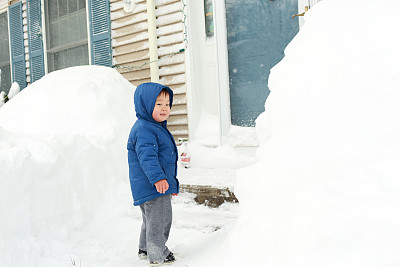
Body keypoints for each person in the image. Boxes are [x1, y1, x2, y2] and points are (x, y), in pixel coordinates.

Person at [127, 82, 179, 266]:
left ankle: (145, 248)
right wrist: (159, 178)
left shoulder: (152, 127)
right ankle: (158, 254)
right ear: (146, 105)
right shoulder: (145, 129)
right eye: (159, 104)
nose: (165, 108)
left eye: (167, 104)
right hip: (154, 185)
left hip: (151, 185)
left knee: (151, 220)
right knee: (161, 221)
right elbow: (147, 158)